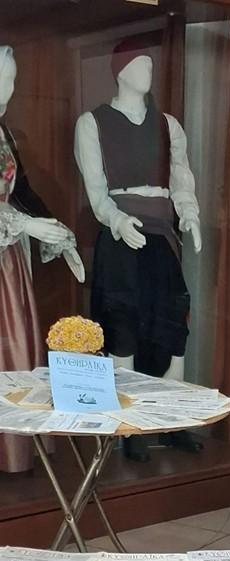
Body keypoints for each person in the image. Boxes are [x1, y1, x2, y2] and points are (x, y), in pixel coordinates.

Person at [74, 38, 202, 462]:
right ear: (121, 71)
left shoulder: (168, 125)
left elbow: (181, 178)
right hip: (120, 237)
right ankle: (129, 427)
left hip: (162, 234)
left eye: (150, 64)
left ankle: (174, 419)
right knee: (123, 324)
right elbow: (96, 191)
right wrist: (116, 220)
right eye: (139, 64)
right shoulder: (92, 123)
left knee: (173, 323)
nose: (148, 72)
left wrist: (189, 214)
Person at [0, 45, 84, 473]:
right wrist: (26, 225)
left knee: (13, 344)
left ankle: (12, 447)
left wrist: (57, 230)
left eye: (13, 79)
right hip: (7, 245)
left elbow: (23, 192)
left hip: (7, 258)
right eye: (4, 78)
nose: (10, 89)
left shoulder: (4, 132)